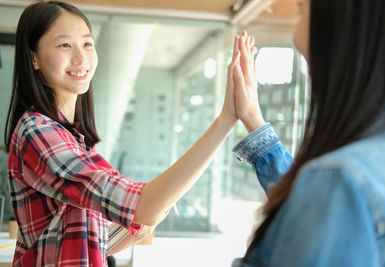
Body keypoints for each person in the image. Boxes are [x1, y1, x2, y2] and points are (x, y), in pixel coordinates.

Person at [4, 1, 252, 266]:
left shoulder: (77, 141)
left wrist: (140, 220)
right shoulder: (38, 131)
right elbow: (144, 207)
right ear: (34, 58)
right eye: (64, 45)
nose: (81, 57)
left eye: (87, 43)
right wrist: (226, 120)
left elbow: (86, 239)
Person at [230, 0, 385, 266]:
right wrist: (254, 121)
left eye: (300, 11)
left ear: (340, 27)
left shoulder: (341, 182)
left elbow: (329, 195)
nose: (295, 39)